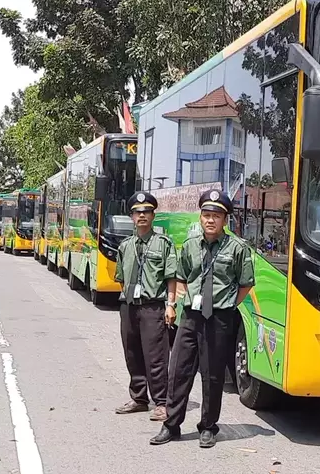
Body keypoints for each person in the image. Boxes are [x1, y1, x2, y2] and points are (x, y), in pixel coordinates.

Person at [150, 189, 255, 449]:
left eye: (216, 216)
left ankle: (208, 427)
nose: (210, 220)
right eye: (206, 215)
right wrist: (181, 302)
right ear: (200, 217)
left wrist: (226, 305)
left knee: (212, 375)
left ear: (225, 220)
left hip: (219, 318)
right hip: (191, 317)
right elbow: (182, 277)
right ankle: (171, 425)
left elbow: (245, 284)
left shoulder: (238, 248)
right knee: (179, 371)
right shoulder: (190, 246)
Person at [113, 191, 177, 422]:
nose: (142, 216)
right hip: (129, 306)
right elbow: (120, 276)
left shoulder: (163, 244)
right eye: (138, 212)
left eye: (146, 212)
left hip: (153, 306)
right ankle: (139, 398)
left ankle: (161, 402)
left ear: (153, 216)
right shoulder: (126, 245)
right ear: (131, 216)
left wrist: (170, 305)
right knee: (132, 353)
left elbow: (171, 277)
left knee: (156, 357)